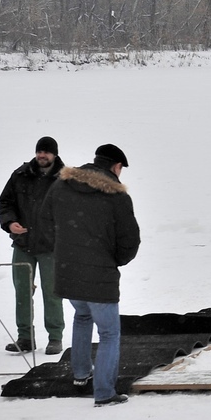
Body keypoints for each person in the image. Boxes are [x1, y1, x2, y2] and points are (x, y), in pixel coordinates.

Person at [40, 144, 140, 406]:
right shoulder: (116, 196)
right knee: (109, 333)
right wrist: (114, 260)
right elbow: (129, 239)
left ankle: (81, 374)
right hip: (100, 275)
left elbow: (44, 221)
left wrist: (62, 250)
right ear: (116, 167)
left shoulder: (61, 186)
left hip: (67, 270)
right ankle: (105, 392)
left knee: (82, 316)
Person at [0, 136, 66, 355]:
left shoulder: (65, 179)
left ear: (54, 154)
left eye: (46, 152)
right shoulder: (20, 175)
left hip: (51, 247)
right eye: (39, 151)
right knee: (22, 292)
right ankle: (25, 337)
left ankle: (55, 337)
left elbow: (73, 210)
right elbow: (5, 203)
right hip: (23, 244)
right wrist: (10, 223)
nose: (42, 155)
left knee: (52, 292)